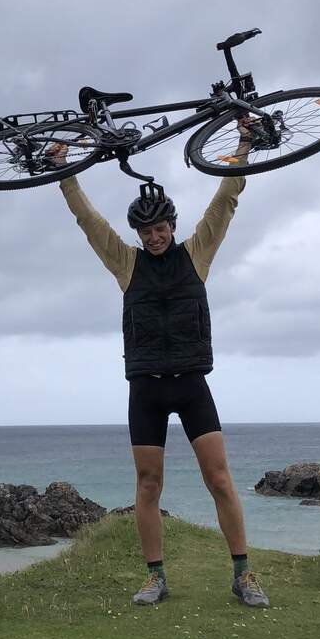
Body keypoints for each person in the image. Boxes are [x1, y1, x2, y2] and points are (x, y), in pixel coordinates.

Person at [49, 120, 270, 608]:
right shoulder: (126, 265)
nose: (154, 237)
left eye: (160, 228)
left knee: (219, 479)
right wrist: (65, 173)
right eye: (146, 231)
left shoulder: (197, 254)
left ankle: (243, 574)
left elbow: (227, 199)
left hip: (191, 385)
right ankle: (156, 577)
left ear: (172, 225)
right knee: (148, 484)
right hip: (146, 389)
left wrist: (244, 144)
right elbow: (89, 222)